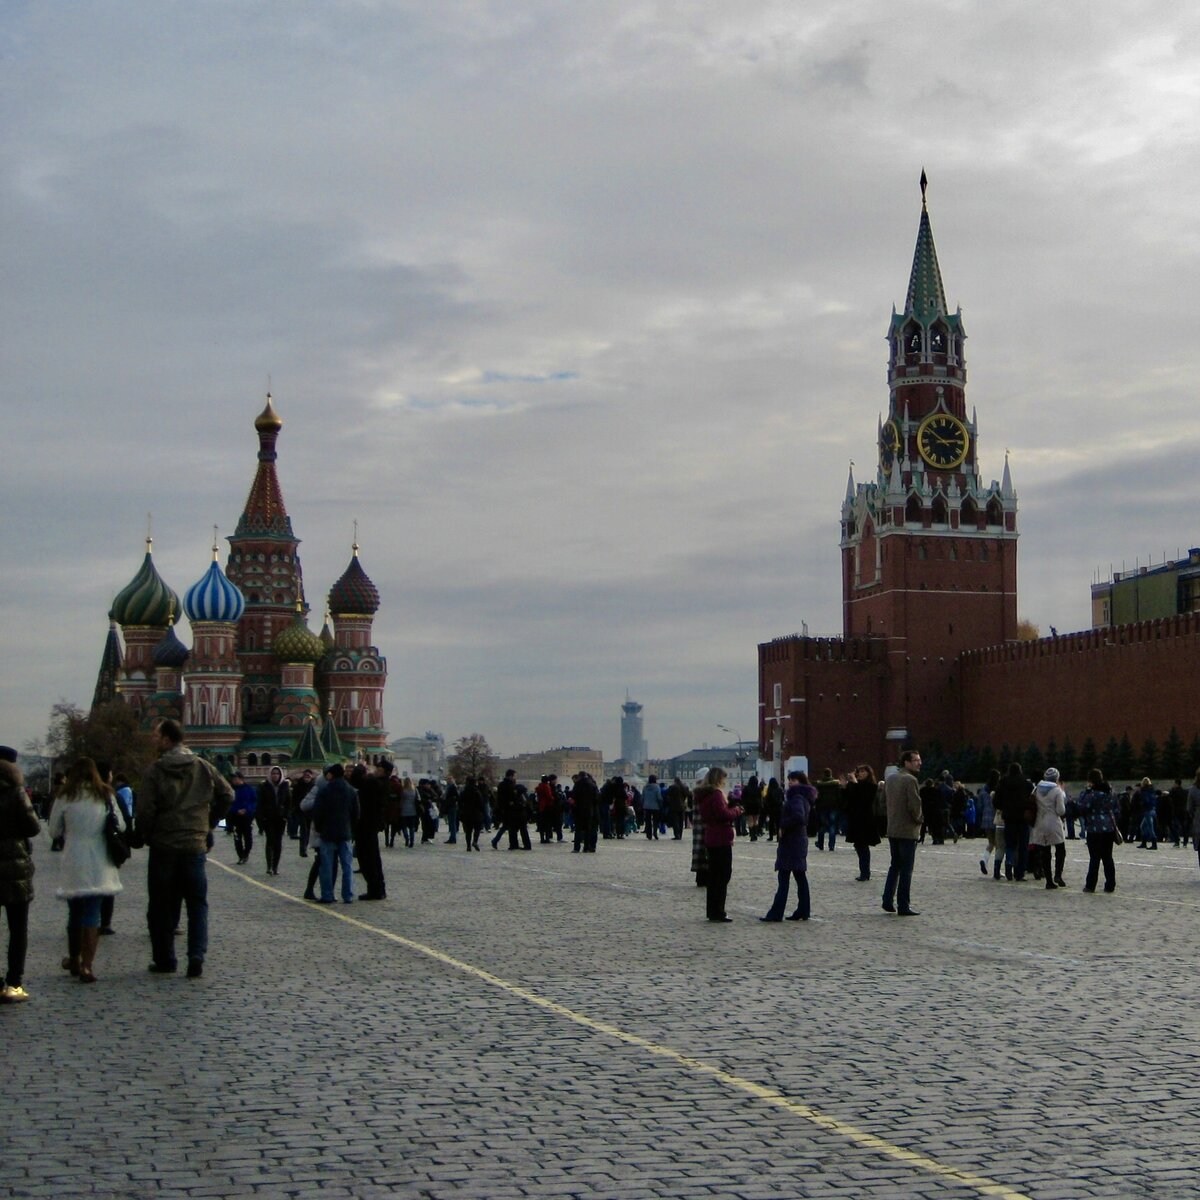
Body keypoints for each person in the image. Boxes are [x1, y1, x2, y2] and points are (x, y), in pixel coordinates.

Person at [136, 719, 233, 978]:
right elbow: (227, 794)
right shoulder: (202, 766)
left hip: (164, 845)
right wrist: (208, 822)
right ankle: (196, 956)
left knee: (161, 904)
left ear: (168, 739)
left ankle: (165, 958)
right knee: (197, 904)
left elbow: (145, 809)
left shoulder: (155, 771)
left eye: (156, 736)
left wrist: (146, 833)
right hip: (194, 845)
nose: (153, 740)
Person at [47, 757, 124, 984]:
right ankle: (87, 966)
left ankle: (74, 958)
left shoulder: (65, 796)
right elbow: (121, 825)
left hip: (74, 858)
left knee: (75, 911)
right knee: (93, 912)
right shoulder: (105, 794)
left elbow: (52, 830)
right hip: (99, 857)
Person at [0, 747, 40, 1003]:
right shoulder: (16, 793)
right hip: (15, 868)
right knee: (18, 929)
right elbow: (34, 827)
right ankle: (14, 983)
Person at [760, 770, 813, 921]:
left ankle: (776, 913)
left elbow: (798, 817)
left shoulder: (796, 797)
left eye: (794, 780)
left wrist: (782, 825)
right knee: (799, 876)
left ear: (801, 782)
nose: (790, 782)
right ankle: (803, 910)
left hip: (792, 842)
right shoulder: (802, 797)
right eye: (789, 780)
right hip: (798, 840)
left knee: (784, 878)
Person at [695, 767, 743, 922]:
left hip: (711, 836)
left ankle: (712, 910)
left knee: (714, 875)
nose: (725, 782)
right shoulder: (716, 795)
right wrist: (736, 811)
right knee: (722, 875)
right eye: (723, 779)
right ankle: (718, 911)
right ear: (718, 779)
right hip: (721, 837)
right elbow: (723, 814)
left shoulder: (704, 795)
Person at [311, 763, 359, 903]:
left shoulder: (324, 791)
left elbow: (318, 813)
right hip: (345, 832)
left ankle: (327, 895)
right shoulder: (351, 790)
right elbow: (356, 813)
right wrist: (351, 829)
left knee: (326, 865)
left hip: (328, 832)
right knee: (347, 865)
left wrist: (319, 828)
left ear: (331, 774)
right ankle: (348, 895)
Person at [882, 751, 923, 916]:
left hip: (893, 828)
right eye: (915, 760)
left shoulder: (890, 779)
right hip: (907, 830)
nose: (919, 763)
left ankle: (887, 899)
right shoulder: (910, 780)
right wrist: (920, 820)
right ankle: (903, 904)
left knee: (895, 865)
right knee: (906, 869)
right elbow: (915, 805)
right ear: (906, 762)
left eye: (919, 760)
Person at [1077, 768, 1118, 893]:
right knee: (1108, 857)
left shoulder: (1092, 794)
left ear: (1090, 780)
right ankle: (1110, 884)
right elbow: (1116, 809)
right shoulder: (1110, 793)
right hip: (1109, 829)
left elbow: (1082, 806)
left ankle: (1090, 885)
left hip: (1094, 829)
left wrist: (1086, 791)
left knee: (1094, 858)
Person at [354, 760, 390, 900]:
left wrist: (361, 770)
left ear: (384, 771)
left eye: (378, 768)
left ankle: (375, 889)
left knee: (368, 858)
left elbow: (360, 782)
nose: (375, 770)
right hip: (371, 825)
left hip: (367, 825)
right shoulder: (381, 783)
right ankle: (377, 889)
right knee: (371, 858)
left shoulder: (376, 783)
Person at [1030, 768, 1068, 889]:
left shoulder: (1036, 789)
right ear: (1056, 778)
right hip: (1053, 823)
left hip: (1039, 823)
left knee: (1045, 852)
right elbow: (1060, 810)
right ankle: (1058, 874)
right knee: (1060, 849)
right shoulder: (1057, 790)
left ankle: (1049, 880)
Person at [995, 762, 1032, 881]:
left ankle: (1009, 865)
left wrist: (1004, 807)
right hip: (1023, 818)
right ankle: (1019, 873)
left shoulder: (1003, 783)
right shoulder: (1026, 784)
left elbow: (996, 801)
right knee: (1023, 846)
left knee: (1010, 845)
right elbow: (1032, 800)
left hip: (1009, 818)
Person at [842, 765, 880, 882]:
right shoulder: (855, 785)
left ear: (869, 773)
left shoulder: (871, 785)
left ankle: (865, 872)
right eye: (859, 772)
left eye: (863, 771)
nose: (861, 774)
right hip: (855, 818)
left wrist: (854, 783)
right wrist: (845, 787)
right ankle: (864, 871)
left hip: (865, 819)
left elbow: (864, 798)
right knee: (858, 846)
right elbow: (849, 799)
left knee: (863, 846)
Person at [257, 766, 290, 876]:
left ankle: (275, 866)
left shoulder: (285, 786)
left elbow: (289, 802)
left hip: (280, 819)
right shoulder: (264, 786)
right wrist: (261, 818)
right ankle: (269, 866)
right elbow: (260, 803)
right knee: (270, 840)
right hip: (268, 818)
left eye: (277, 773)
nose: (275, 775)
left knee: (278, 842)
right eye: (273, 773)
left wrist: (286, 815)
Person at [227, 772, 257, 865]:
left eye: (236, 779)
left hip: (247, 816)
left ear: (241, 779)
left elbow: (254, 802)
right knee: (237, 837)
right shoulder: (230, 790)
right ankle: (240, 856)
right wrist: (236, 810)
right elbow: (228, 803)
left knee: (248, 837)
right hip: (235, 816)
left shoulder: (249, 789)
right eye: (233, 779)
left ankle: (246, 853)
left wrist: (247, 809)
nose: (234, 781)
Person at [571, 772, 600, 853]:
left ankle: (577, 847)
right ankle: (586, 847)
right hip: (589, 810)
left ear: (580, 776)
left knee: (578, 829)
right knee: (588, 830)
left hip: (579, 810)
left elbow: (574, 797)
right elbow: (597, 799)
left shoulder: (577, 784)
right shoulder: (593, 785)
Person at [814, 768, 842, 851]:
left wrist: (817, 806)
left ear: (823, 774)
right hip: (833, 807)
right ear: (831, 774)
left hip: (822, 807)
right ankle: (831, 846)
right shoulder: (836, 784)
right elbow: (839, 796)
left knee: (822, 825)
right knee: (832, 826)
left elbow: (817, 798)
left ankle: (820, 844)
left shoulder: (819, 785)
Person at [458, 777, 484, 851]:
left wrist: (462, 810)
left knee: (468, 831)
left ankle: (468, 846)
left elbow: (460, 802)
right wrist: (481, 811)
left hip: (467, 813)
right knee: (477, 829)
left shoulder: (464, 791)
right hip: (476, 813)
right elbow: (480, 803)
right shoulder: (477, 791)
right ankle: (475, 841)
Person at [1135, 777, 1159, 849]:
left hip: (1147, 810)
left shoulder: (1144, 791)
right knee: (1143, 826)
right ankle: (1144, 843)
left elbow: (1145, 800)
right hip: (1152, 809)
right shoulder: (1152, 790)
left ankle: (1153, 844)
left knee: (1149, 827)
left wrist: (1142, 804)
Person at [641, 774, 663, 840]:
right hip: (655, 806)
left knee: (648, 821)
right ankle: (655, 832)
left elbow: (642, 797)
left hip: (646, 806)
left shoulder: (645, 787)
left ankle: (649, 834)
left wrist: (642, 804)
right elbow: (659, 797)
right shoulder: (657, 787)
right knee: (655, 820)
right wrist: (661, 804)